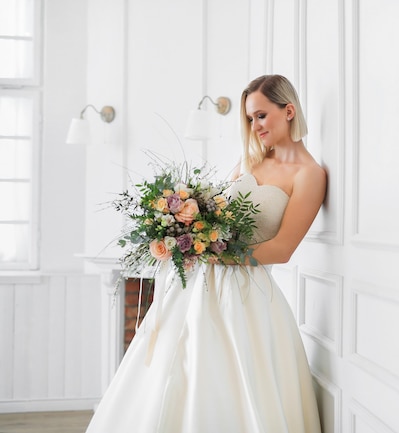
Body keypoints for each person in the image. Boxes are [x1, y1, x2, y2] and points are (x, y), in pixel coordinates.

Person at [85, 74, 326, 432]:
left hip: (248, 297)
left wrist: (214, 251)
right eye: (249, 119)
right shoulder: (249, 163)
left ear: (288, 110)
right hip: (196, 286)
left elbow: (282, 248)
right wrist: (186, 229)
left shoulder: (310, 175)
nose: (254, 125)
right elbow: (215, 216)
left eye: (261, 115)